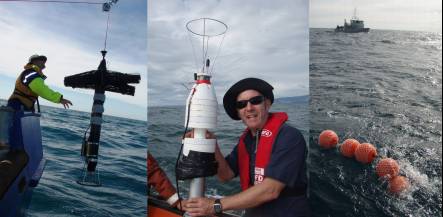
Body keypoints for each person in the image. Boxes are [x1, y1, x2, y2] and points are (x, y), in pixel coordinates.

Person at [184, 78, 311, 217]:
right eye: (242, 104)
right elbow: (225, 175)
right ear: (238, 113)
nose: (249, 108)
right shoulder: (246, 142)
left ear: (267, 104)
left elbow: (271, 190)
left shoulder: (289, 136)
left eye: (255, 101)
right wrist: (212, 144)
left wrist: (214, 205)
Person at [7, 54, 72, 111]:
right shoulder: (31, 73)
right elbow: (41, 89)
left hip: (23, 106)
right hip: (17, 105)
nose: (44, 63)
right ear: (34, 61)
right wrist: (59, 99)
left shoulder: (32, 73)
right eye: (41, 60)